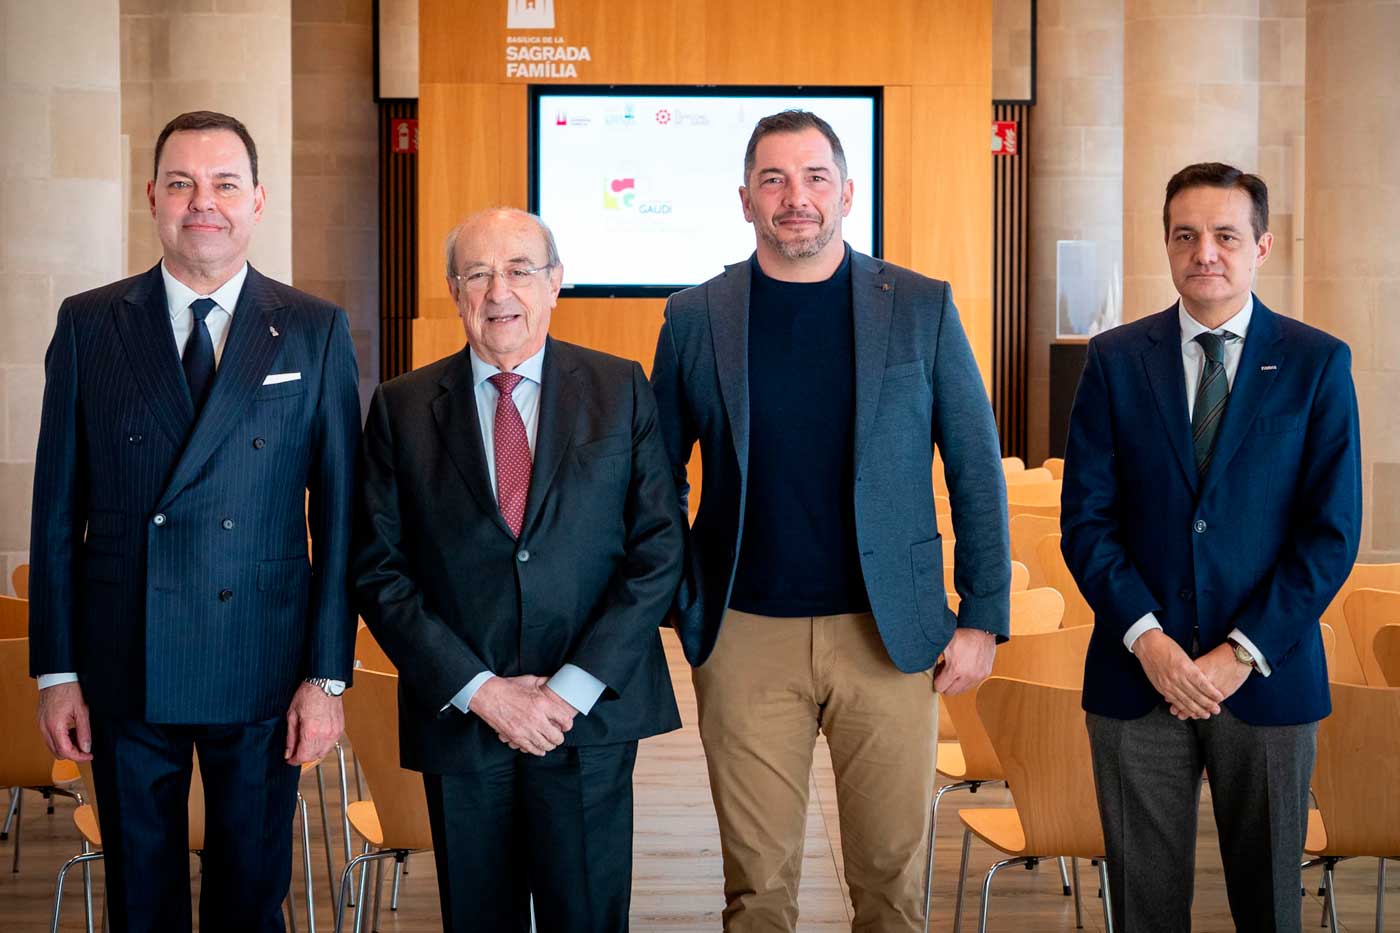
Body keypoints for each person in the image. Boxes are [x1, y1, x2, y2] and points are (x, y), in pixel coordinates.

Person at [648, 110, 1010, 931]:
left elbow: (974, 464)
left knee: (891, 886)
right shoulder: (696, 317)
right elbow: (656, 475)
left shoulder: (921, 306)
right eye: (773, 180)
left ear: (847, 192)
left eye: (814, 178)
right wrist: (680, 597)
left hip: (889, 634)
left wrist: (983, 612)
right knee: (758, 889)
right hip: (743, 637)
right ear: (745, 200)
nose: (795, 197)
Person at [28, 110, 361, 932]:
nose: (201, 202)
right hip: (124, 659)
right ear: (152, 198)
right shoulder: (89, 322)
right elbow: (54, 508)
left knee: (252, 897)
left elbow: (344, 514)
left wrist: (327, 676)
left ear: (257, 202)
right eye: (181, 183)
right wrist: (56, 669)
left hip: (265, 661)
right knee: (142, 900)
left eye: (223, 184)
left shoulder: (314, 329)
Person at [352, 207, 684, 933]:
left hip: (589, 720)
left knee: (590, 919)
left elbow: (659, 547)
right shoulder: (401, 408)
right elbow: (378, 569)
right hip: (465, 719)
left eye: (520, 269)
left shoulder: (621, 388)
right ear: (454, 289)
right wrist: (484, 693)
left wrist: (569, 689)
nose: (499, 290)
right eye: (477, 273)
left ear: (556, 282)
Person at [1060, 162, 1362, 932]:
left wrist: (1239, 652)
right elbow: (1087, 523)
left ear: (1261, 246)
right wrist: (1149, 640)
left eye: (1226, 235)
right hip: (1138, 683)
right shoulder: (1115, 360)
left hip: (1266, 683)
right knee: (1144, 910)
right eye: (1187, 235)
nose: (1206, 253)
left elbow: (1330, 537)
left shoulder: (1316, 363)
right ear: (1166, 244)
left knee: (1269, 908)